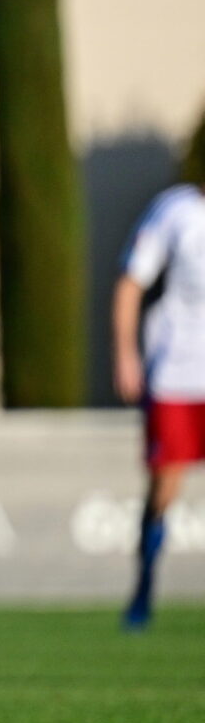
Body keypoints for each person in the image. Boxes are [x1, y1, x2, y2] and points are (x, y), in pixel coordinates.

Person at [117, 120, 205, 630]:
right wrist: (127, 355)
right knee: (164, 486)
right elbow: (131, 282)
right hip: (177, 372)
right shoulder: (176, 211)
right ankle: (145, 582)